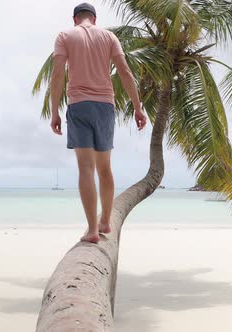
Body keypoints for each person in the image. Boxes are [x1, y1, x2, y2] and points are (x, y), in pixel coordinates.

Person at [49, 3, 146, 243]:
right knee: (105, 168)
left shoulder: (65, 36)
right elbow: (125, 71)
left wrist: (54, 112)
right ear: (94, 18)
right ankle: (105, 222)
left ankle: (92, 230)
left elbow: (57, 74)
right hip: (104, 105)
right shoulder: (109, 37)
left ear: (75, 19)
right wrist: (137, 107)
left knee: (85, 168)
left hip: (78, 105)